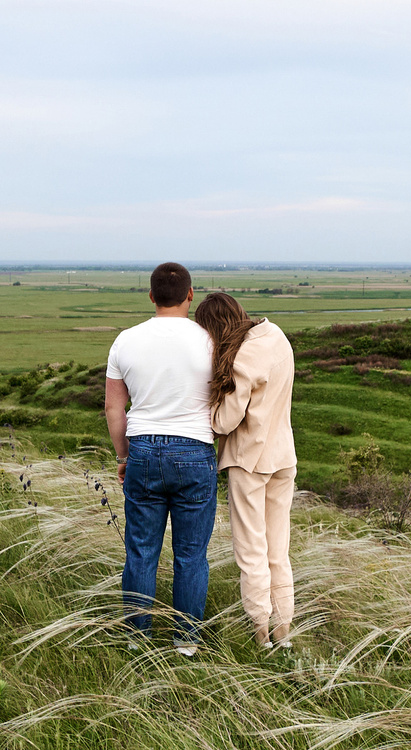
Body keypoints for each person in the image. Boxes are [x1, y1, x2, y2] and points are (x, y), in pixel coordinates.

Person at [105, 261, 216, 655]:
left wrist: (123, 456)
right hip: (196, 449)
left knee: (141, 552)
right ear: (190, 295)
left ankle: (137, 639)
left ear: (151, 295)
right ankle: (186, 642)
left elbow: (114, 408)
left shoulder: (125, 340)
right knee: (191, 555)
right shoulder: (210, 341)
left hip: (143, 450)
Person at [195, 290, 297, 648]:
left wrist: (206, 409)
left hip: (249, 461)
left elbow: (225, 421)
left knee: (251, 551)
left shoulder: (243, 357)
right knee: (277, 551)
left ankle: (260, 632)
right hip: (283, 456)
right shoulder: (276, 335)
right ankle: (283, 632)